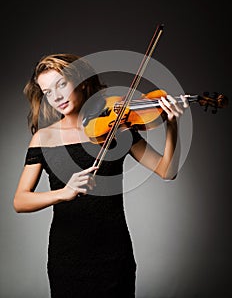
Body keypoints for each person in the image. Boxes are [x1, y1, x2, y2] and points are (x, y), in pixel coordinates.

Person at [13, 53, 188, 297]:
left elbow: (167, 171)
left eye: (61, 84)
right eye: (47, 92)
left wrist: (171, 125)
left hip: (114, 253)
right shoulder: (43, 138)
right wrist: (63, 193)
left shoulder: (115, 127)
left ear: (81, 81)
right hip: (67, 256)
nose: (56, 97)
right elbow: (20, 201)